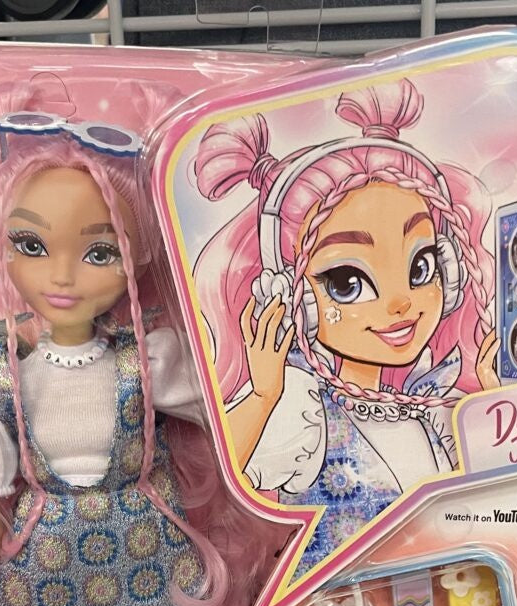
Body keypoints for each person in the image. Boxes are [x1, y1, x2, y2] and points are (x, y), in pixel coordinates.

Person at [0, 111, 269, 606]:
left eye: (99, 253)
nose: (62, 277)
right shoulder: (5, 371)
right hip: (49, 556)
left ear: (135, 258)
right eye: (32, 245)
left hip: (141, 547)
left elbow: (226, 415)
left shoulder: (146, 360)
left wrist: (264, 379)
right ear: (3, 249)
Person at [194, 80, 500, 576]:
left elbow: (488, 507)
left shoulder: (431, 405)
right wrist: (264, 394)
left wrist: (489, 400)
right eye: (347, 282)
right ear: (296, 299)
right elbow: (219, 485)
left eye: (421, 266)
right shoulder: (303, 412)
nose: (400, 303)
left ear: (449, 270)